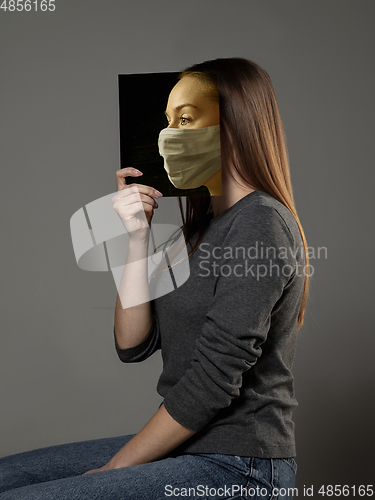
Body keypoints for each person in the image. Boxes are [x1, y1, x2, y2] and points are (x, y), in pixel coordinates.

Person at [0, 58, 310, 500]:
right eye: (168, 122)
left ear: (235, 123)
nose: (169, 136)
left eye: (185, 119)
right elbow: (132, 344)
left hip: (241, 465)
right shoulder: (200, 226)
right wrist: (137, 236)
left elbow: (213, 381)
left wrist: (113, 469)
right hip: (189, 449)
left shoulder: (260, 223)